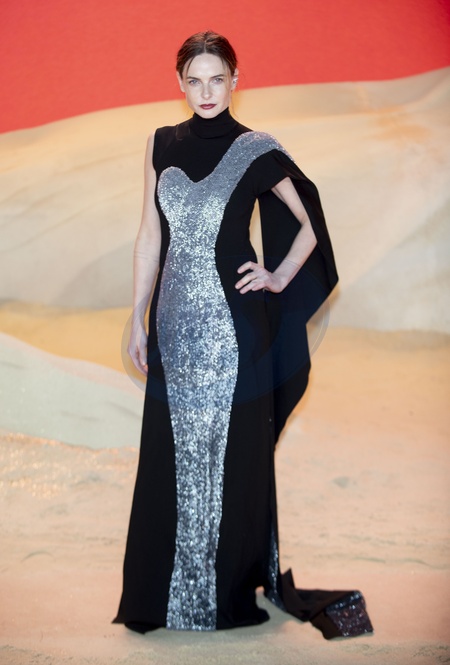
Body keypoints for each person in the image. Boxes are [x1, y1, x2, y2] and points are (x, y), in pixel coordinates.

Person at [113, 31, 372, 639]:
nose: (206, 92)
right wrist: (137, 312)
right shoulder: (159, 143)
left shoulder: (256, 148)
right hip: (173, 326)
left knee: (234, 457)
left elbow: (310, 221)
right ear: (180, 83)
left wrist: (278, 275)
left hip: (235, 329)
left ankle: (224, 591)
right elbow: (150, 236)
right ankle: (166, 595)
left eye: (217, 79)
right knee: (170, 455)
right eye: (194, 80)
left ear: (236, 80)